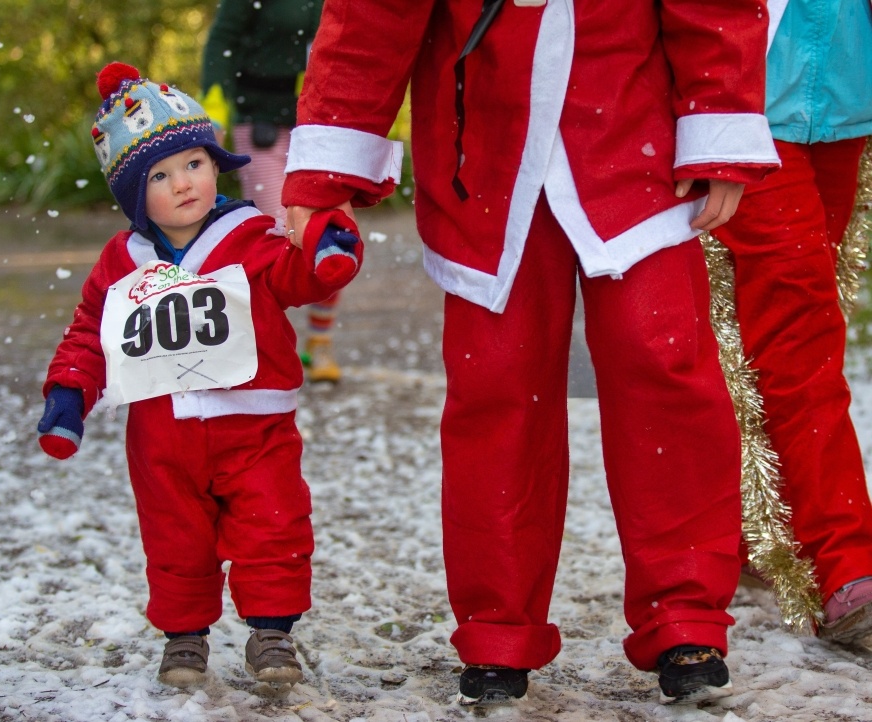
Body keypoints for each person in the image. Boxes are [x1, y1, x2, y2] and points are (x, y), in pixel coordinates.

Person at [281, 0, 780, 707]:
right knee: (497, 391)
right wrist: (327, 172)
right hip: (483, 158)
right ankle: (496, 632)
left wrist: (718, 123)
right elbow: (371, 18)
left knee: (666, 373)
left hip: (639, 145)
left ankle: (688, 619)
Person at [35, 62, 362, 689]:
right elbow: (91, 331)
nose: (183, 183)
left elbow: (291, 277)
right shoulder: (121, 260)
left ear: (217, 163)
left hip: (255, 424)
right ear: (134, 196)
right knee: (175, 535)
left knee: (273, 524)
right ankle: (184, 637)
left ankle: (272, 632)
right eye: (159, 176)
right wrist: (69, 394)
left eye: (193, 163)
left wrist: (325, 254)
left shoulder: (251, 235)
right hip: (162, 433)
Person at [709, 0, 872, 643]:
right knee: (798, 336)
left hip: (845, 103)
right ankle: (846, 564)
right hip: (743, 110)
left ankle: (749, 529)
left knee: (774, 332)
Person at [200, 0, 345, 383]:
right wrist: (214, 108)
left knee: (328, 226)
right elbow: (221, 42)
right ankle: (262, 343)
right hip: (260, 118)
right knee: (279, 232)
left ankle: (319, 341)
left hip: (315, 122)